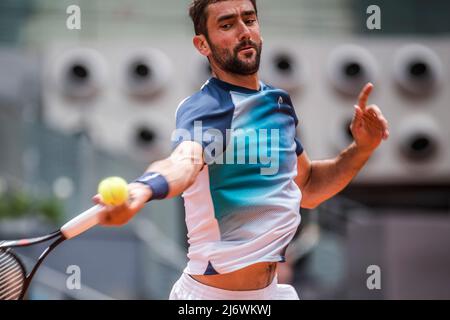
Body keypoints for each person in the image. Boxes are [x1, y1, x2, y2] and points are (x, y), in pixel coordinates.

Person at [93, 0, 389, 300]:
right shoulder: (206, 108)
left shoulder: (278, 103)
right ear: (202, 45)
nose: (244, 31)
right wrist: (143, 189)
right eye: (227, 24)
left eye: (249, 19)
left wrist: (362, 148)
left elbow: (309, 186)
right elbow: (183, 162)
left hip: (273, 294)